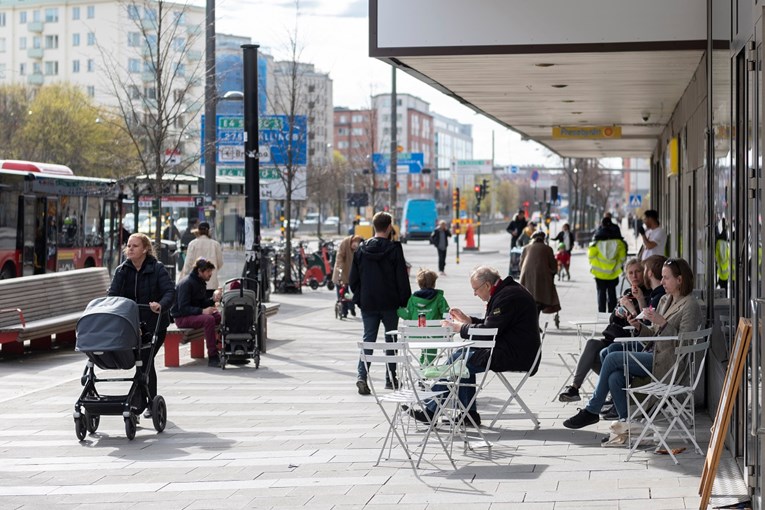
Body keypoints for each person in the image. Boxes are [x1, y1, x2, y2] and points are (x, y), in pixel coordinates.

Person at [564, 257, 702, 429]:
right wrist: (638, 326)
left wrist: (663, 323)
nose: (662, 281)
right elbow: (653, 333)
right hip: (654, 354)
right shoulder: (665, 300)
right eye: (662, 277)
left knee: (613, 357)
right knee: (615, 377)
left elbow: (684, 343)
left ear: (680, 280)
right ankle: (627, 426)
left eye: (666, 277)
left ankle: (592, 410)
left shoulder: (690, 305)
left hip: (669, 364)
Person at [410, 266, 541, 427]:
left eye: (476, 289)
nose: (474, 294)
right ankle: (466, 414)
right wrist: (468, 320)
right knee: (461, 357)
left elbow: (490, 331)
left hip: (515, 354)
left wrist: (459, 328)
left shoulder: (507, 297)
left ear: (487, 285)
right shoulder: (506, 291)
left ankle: (434, 411)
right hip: (512, 349)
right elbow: (493, 325)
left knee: (459, 360)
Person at [558, 258, 647, 404]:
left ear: (644, 273)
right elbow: (612, 320)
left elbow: (644, 323)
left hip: (627, 342)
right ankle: (574, 388)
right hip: (613, 337)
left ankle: (614, 390)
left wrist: (633, 306)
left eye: (638, 272)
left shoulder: (647, 294)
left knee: (599, 354)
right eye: (630, 273)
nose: (634, 276)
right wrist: (618, 312)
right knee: (592, 344)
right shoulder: (626, 292)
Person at [107, 233, 175, 418]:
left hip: (154, 325)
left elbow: (170, 292)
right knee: (143, 362)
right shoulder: (122, 270)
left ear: (145, 249)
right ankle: (147, 401)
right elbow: (112, 295)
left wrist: (161, 305)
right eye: (128, 245)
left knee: (145, 360)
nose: (130, 249)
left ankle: (140, 403)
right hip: (131, 326)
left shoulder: (157, 268)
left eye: (134, 246)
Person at [350, 211, 412, 395]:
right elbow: (401, 277)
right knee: (391, 340)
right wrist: (404, 300)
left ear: (373, 227)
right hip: (390, 302)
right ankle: (391, 378)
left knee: (368, 338)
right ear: (389, 227)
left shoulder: (361, 249)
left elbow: (353, 279)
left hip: (369, 302)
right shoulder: (394, 249)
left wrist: (360, 298)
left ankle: (362, 376)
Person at [171, 258, 223, 367]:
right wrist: (202, 311)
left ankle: (220, 347)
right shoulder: (187, 283)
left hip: (192, 315)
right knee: (209, 319)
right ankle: (212, 356)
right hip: (182, 318)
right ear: (199, 271)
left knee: (218, 316)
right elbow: (183, 308)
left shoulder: (200, 282)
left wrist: (212, 300)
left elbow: (200, 302)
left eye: (211, 271)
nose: (210, 274)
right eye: (208, 271)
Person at [397, 269, 450, 364]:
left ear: (419, 284)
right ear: (434, 283)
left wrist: (397, 310)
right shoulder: (439, 298)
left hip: (416, 334)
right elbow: (446, 314)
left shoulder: (413, 299)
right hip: (435, 335)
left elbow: (407, 315)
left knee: (424, 334)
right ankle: (428, 367)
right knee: (430, 340)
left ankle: (424, 367)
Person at [588, 217, 627, 313]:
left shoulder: (597, 242)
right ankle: (612, 313)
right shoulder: (619, 243)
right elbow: (622, 257)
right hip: (613, 272)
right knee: (612, 293)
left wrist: (596, 264)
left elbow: (591, 255)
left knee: (601, 293)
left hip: (599, 273)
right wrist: (617, 266)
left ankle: (601, 313)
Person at [520, 230, 560, 315]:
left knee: (529, 300)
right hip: (542, 278)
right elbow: (553, 265)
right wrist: (553, 272)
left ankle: (532, 322)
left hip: (526, 278)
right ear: (543, 239)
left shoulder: (526, 248)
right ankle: (535, 323)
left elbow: (520, 265)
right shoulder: (548, 248)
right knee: (540, 299)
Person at [180, 221, 223, 297]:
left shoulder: (192, 244)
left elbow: (188, 264)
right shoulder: (215, 244)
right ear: (209, 231)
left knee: (197, 306)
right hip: (211, 284)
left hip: (195, 284)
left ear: (198, 231)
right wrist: (210, 271)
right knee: (209, 305)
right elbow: (220, 263)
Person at [331, 234, 364, 318]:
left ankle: (351, 307)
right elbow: (339, 256)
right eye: (354, 246)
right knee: (342, 291)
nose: (354, 248)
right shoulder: (344, 243)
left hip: (352, 272)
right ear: (352, 241)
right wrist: (340, 267)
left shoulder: (360, 247)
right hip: (342, 270)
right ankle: (344, 311)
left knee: (350, 292)